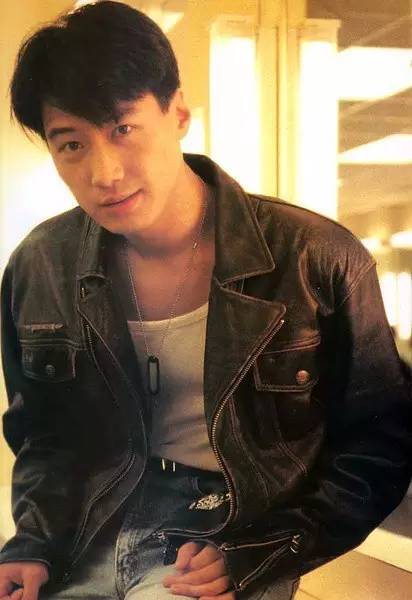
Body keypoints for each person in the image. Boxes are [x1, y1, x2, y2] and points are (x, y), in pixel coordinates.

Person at [0, 2, 411, 599]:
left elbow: (379, 443)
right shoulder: (40, 263)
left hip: (232, 529)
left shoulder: (314, 256)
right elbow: (44, 433)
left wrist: (271, 548)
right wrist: (32, 543)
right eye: (71, 145)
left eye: (122, 128)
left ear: (178, 113)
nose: (104, 172)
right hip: (92, 524)